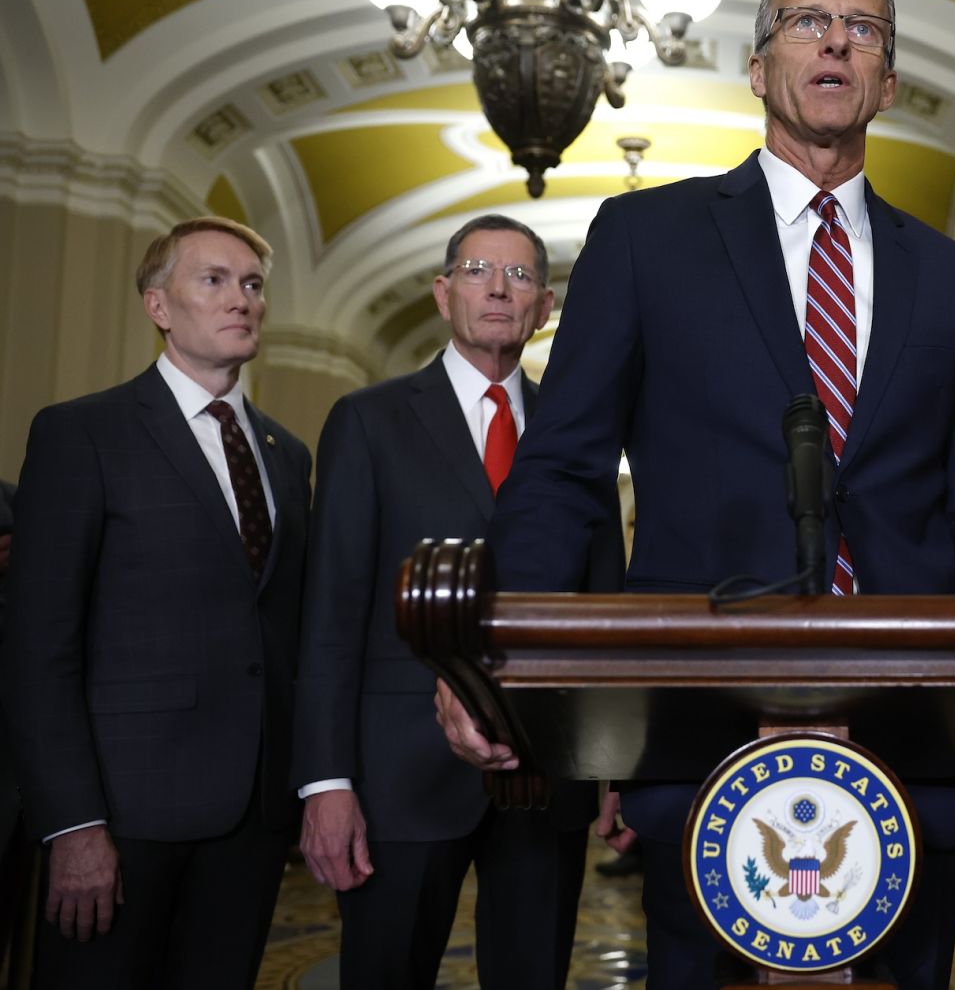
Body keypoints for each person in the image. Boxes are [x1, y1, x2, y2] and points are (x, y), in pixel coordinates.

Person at [434, 0, 955, 989]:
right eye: (807, 21)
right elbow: (563, 471)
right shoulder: (643, 238)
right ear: (757, 68)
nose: (838, 39)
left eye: (865, 29)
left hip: (915, 730)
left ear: (887, 80)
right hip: (704, 717)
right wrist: (493, 658)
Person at [291, 214, 621, 988]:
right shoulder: (367, 422)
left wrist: (617, 769)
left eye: (520, 277)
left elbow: (606, 610)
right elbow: (331, 612)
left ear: (544, 309)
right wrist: (326, 781)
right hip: (398, 778)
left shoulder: (578, 437)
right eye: (477, 270)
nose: (499, 289)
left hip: (550, 772)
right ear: (444, 294)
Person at [0, 216, 312, 989]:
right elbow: (40, 645)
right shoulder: (83, 434)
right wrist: (72, 823)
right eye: (213, 280)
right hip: (121, 816)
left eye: (252, 284)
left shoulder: (286, 453)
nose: (240, 299)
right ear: (158, 306)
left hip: (253, 816)